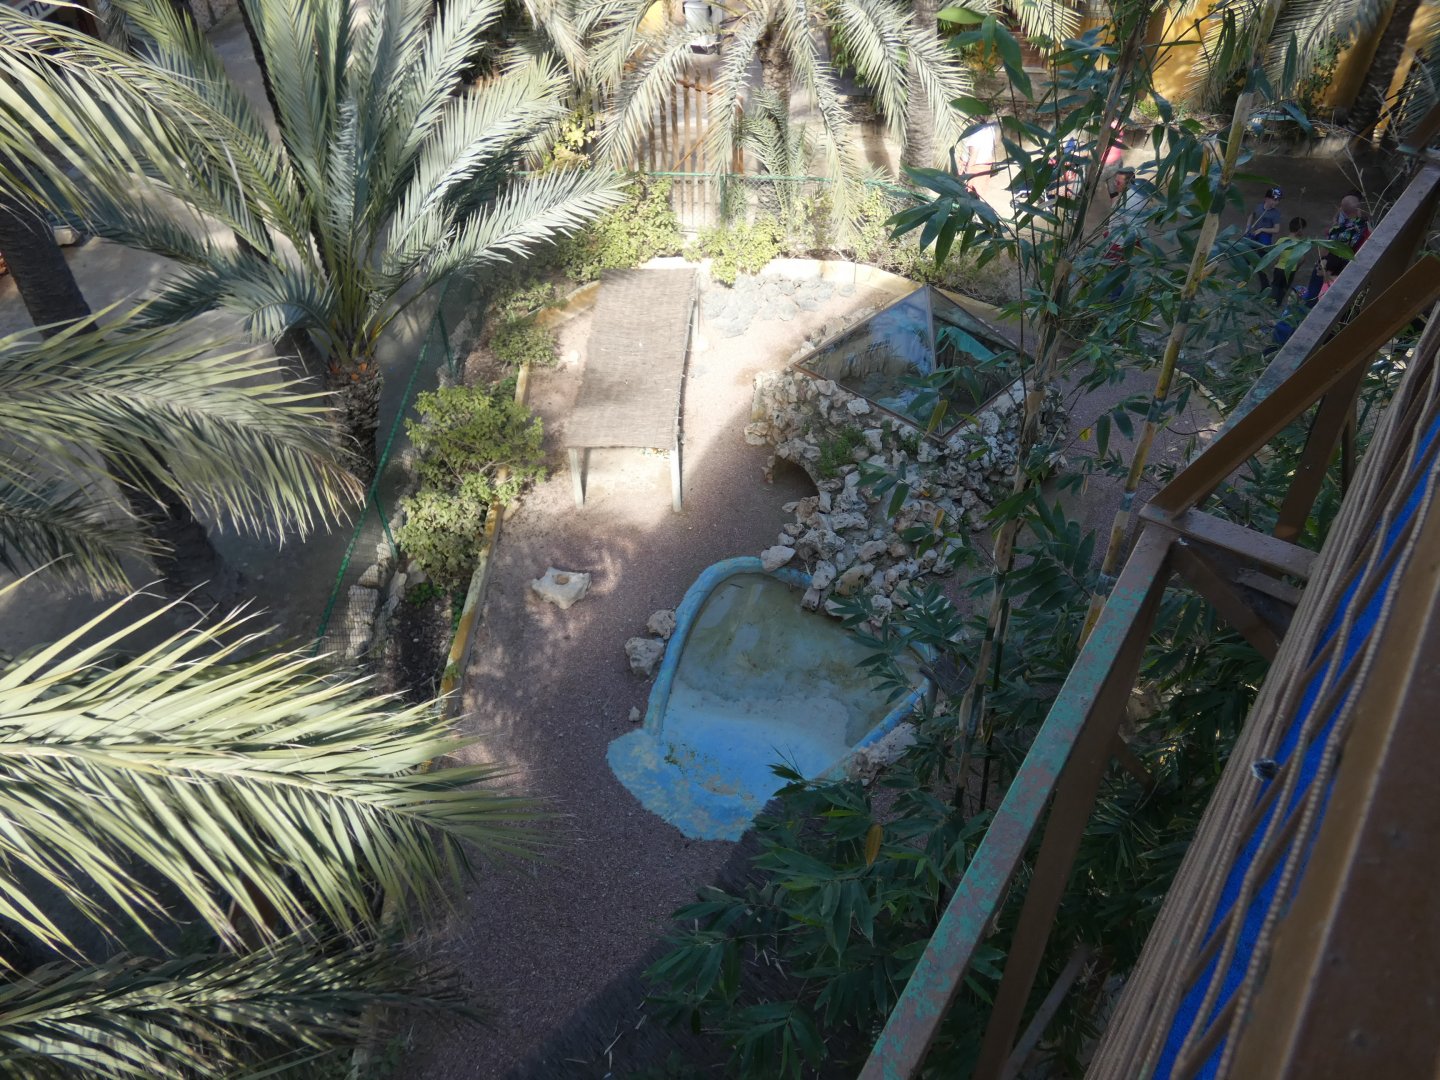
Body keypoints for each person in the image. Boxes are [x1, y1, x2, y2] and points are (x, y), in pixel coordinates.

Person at [1243, 187, 1283, 290]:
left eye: (1278, 200)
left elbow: (1276, 229)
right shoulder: (1259, 207)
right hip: (1253, 235)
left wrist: (1262, 229)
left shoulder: (1275, 214)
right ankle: (1242, 277)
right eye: (1274, 199)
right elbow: (1251, 216)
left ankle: (1265, 286)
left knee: (1260, 263)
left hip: (1264, 239)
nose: (1276, 202)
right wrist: (1247, 227)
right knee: (1246, 255)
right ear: (1266, 199)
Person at [1269, 216, 1308, 305]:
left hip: (1279, 269)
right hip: (1291, 270)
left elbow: (1274, 255)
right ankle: (1277, 303)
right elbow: (1302, 259)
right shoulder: (1300, 243)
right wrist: (1296, 267)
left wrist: (1276, 264)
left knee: (1275, 286)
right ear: (1299, 230)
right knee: (1284, 288)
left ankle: (1271, 302)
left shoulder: (1282, 240)